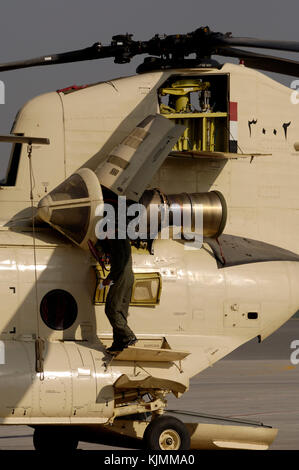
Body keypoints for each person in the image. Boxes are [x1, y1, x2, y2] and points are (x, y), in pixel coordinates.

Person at [98, 237, 137, 354]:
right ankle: (119, 342)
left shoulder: (116, 240)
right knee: (121, 311)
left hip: (121, 276)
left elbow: (119, 265)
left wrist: (108, 279)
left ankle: (128, 336)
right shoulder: (122, 239)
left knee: (112, 309)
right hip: (128, 276)